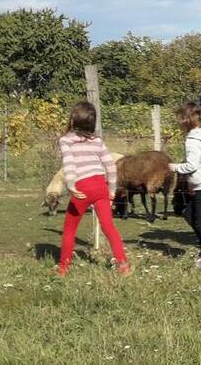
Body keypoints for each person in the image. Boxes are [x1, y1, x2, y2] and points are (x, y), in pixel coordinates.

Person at [58, 102, 131, 276]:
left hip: (82, 187)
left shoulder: (65, 140)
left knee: (69, 229)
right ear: (93, 122)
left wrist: (70, 185)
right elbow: (111, 167)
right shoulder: (97, 141)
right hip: (101, 187)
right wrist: (112, 190)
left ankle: (63, 268)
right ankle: (123, 264)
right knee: (109, 227)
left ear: (73, 119)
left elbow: (69, 165)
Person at [169, 102, 201, 269]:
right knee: (189, 216)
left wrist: (173, 167)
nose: (178, 122)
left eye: (180, 118)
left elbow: (192, 165)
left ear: (186, 120)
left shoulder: (192, 140)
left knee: (199, 221)